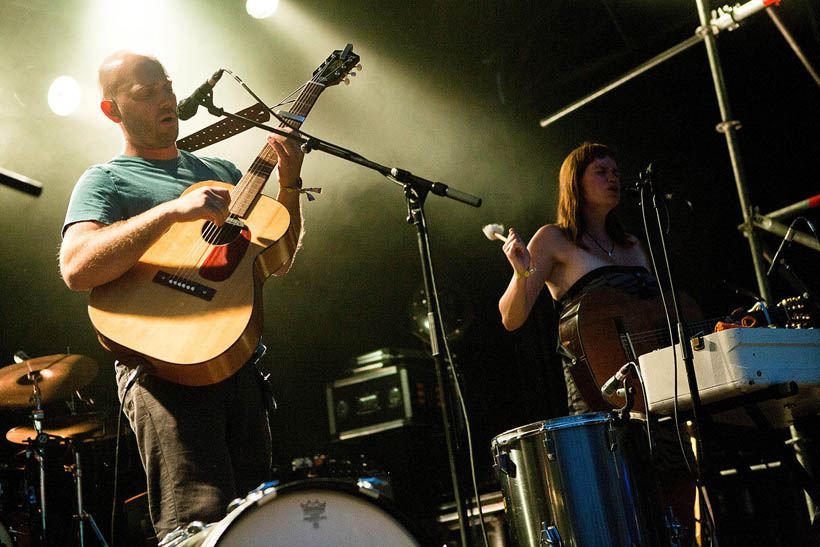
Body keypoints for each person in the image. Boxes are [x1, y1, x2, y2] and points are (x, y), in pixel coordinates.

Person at [59, 51, 306, 540]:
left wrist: (290, 183)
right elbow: (76, 266)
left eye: (168, 88)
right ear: (113, 111)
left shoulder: (221, 170)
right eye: (145, 94)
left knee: (256, 525)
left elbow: (276, 254)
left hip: (237, 363)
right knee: (199, 524)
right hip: (161, 372)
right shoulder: (105, 179)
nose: (165, 100)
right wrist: (172, 211)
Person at [498, 141, 652, 414]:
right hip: (597, 386)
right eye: (601, 171)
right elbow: (511, 318)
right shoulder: (553, 238)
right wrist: (520, 272)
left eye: (615, 171)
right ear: (575, 182)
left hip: (653, 380)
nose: (613, 177)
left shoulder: (632, 243)